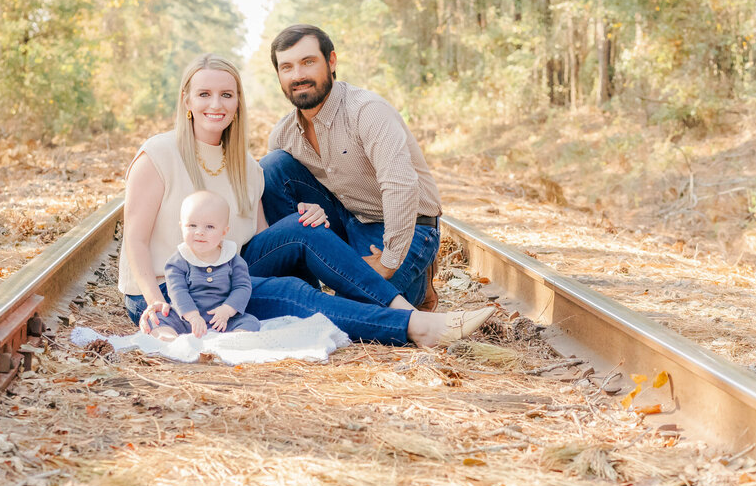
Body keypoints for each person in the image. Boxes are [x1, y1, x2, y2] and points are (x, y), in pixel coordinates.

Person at [118, 52, 493, 347]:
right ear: (187, 99)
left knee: (301, 232)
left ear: (236, 104)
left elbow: (263, 239)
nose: (215, 104)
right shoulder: (159, 154)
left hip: (229, 277)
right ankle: (414, 326)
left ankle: (402, 309)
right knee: (294, 293)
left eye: (226, 95)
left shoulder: (245, 166)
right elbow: (134, 238)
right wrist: (153, 301)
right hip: (170, 290)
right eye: (204, 94)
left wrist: (303, 219)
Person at [262, 24, 441, 310]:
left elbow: (401, 186)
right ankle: (305, 285)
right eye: (287, 67)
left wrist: (390, 259)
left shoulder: (367, 110)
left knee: (363, 311)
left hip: (406, 223)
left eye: (308, 62)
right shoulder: (283, 134)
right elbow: (272, 198)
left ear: (331, 62)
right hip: (347, 218)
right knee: (272, 167)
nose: (298, 76)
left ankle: (420, 273)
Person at [149, 190, 262, 341]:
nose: (199, 232)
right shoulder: (178, 261)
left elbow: (242, 287)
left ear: (224, 231)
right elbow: (178, 291)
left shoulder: (232, 259)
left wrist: (227, 310)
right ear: (182, 227)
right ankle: (172, 340)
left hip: (221, 318)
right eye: (192, 225)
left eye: (209, 227)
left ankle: (234, 339)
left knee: (251, 322)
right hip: (186, 320)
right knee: (157, 319)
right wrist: (193, 316)